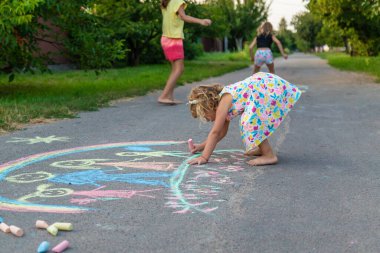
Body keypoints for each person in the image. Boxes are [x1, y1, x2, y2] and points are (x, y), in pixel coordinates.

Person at [187, 72, 301, 166]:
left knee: (249, 122)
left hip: (263, 88)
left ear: (210, 105)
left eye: (205, 115)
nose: (207, 119)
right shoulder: (224, 104)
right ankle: (262, 149)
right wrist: (201, 146)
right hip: (262, 86)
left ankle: (269, 155)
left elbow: (215, 132)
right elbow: (221, 133)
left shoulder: (223, 103)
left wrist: (204, 157)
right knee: (252, 120)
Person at [159, 0, 212, 105]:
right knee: (179, 69)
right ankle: (164, 96)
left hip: (166, 39)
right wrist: (201, 21)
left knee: (175, 69)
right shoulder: (178, 1)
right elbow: (183, 17)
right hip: (173, 40)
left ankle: (169, 97)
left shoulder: (166, 2)